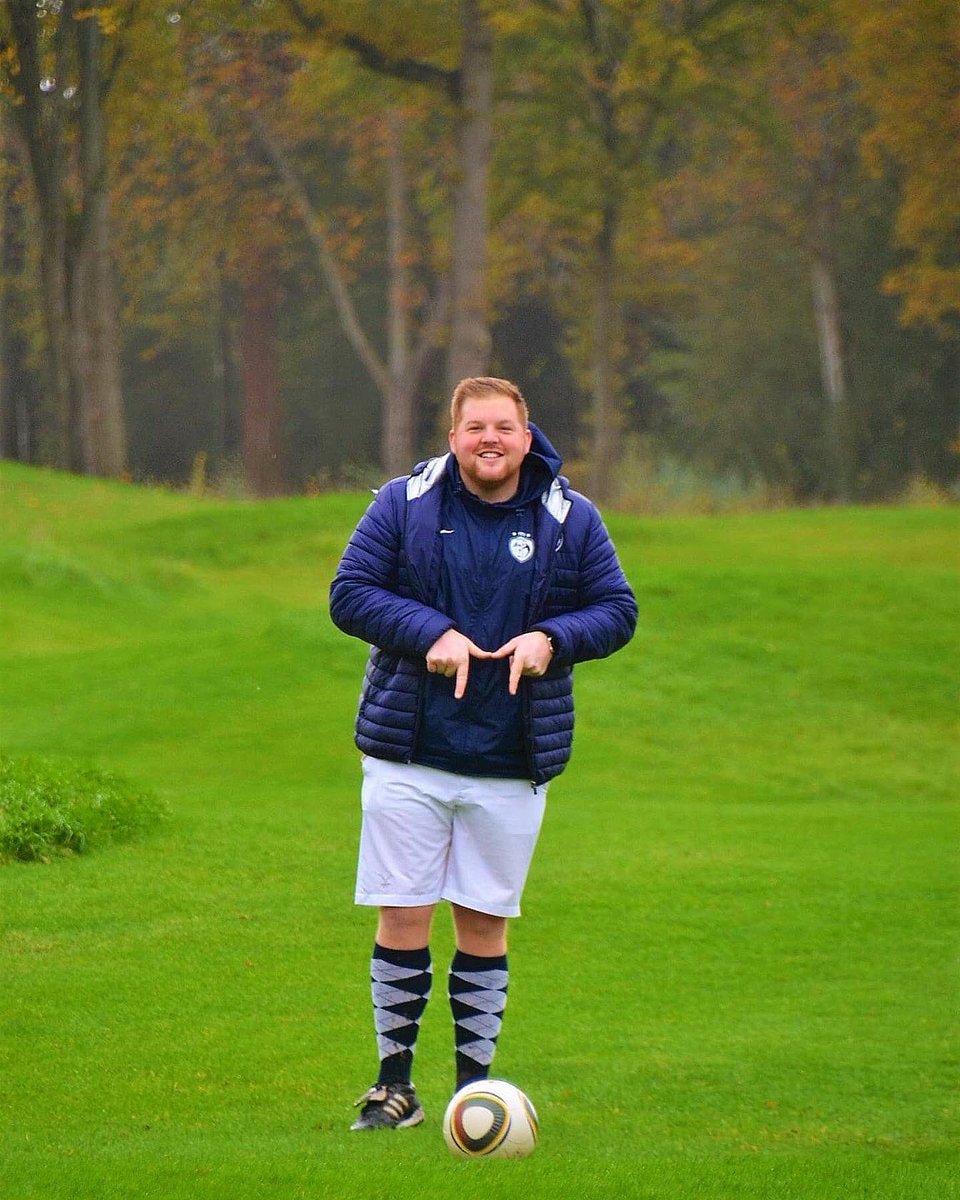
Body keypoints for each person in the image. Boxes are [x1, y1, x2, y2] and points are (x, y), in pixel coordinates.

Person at [329, 376, 637, 1131]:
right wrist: (428, 631)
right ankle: (393, 1087)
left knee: (483, 921)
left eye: (504, 427)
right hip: (409, 751)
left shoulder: (572, 518)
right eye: (475, 428)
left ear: (527, 439)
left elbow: (617, 610)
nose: (489, 439)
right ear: (454, 436)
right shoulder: (401, 503)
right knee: (403, 913)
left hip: (511, 755)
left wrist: (552, 639)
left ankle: (476, 1092)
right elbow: (351, 592)